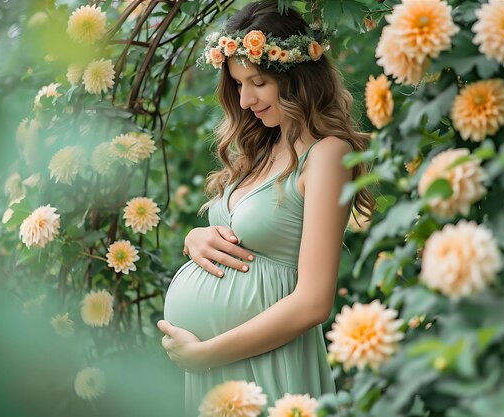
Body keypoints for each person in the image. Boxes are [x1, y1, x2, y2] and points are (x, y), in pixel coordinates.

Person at [157, 0, 374, 414]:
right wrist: (195, 237)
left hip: (268, 364)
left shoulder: (327, 155)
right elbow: (241, 235)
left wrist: (207, 355)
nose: (244, 99)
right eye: (238, 84)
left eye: (257, 82)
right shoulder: (260, 151)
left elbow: (313, 301)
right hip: (216, 368)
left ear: (296, 78)